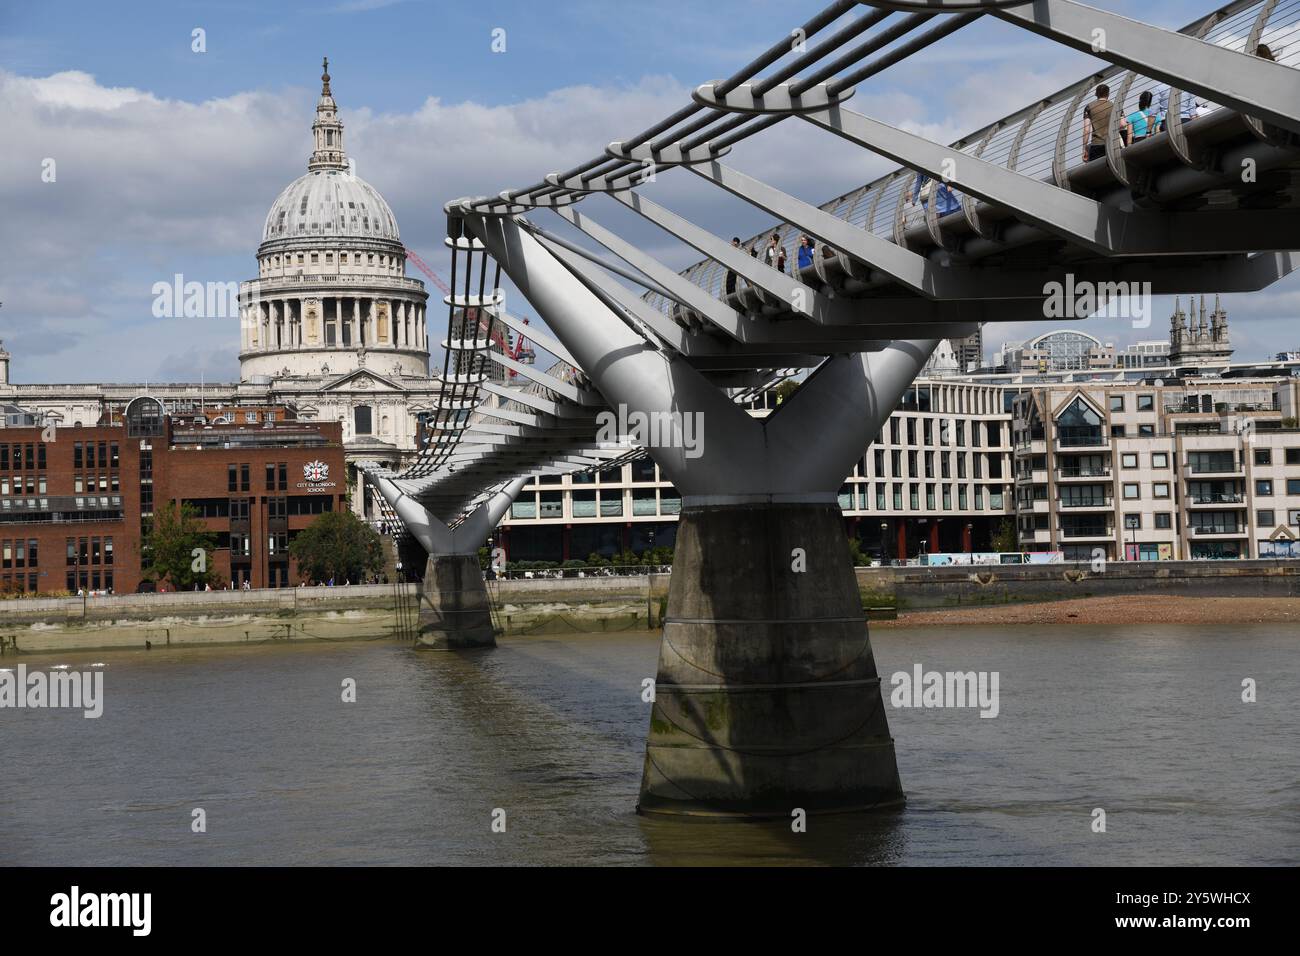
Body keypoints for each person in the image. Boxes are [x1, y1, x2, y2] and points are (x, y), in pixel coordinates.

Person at [1081, 83, 1124, 162]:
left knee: (1097, 172)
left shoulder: (1089, 107)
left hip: (1096, 145)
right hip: (1113, 143)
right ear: (1108, 94)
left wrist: (1084, 148)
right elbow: (1122, 124)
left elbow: (1086, 130)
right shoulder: (1116, 106)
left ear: (1096, 94)